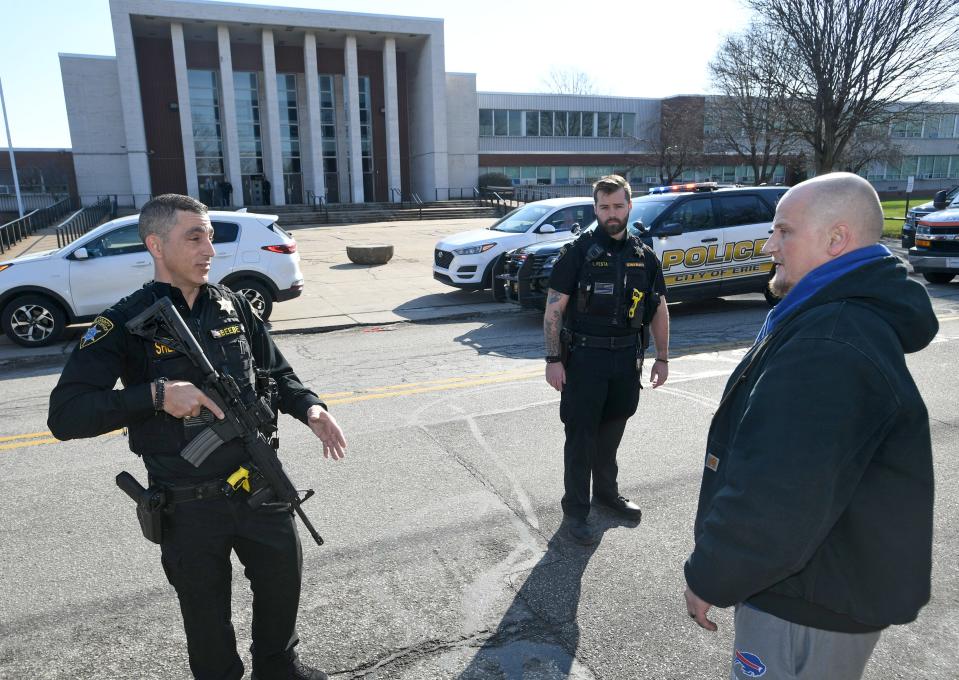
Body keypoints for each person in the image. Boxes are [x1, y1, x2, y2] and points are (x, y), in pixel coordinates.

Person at [48, 194, 347, 680]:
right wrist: (156, 395)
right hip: (188, 505)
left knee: (282, 583)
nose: (209, 247)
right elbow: (66, 416)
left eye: (209, 235)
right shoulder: (124, 322)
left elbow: (278, 372)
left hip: (258, 481)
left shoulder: (231, 304)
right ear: (156, 245)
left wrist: (311, 408)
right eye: (194, 236)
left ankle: (278, 668)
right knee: (206, 618)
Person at [683, 172, 937, 680]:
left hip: (806, 596)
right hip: (823, 583)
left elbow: (780, 489)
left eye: (784, 231)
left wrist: (712, 575)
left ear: (835, 239)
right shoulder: (833, 319)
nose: (769, 245)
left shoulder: (830, 340)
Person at [543, 174, 670, 545]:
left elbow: (659, 308)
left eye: (617, 206)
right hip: (585, 360)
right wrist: (553, 358)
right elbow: (554, 309)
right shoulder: (577, 253)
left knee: (612, 434)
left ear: (629, 206)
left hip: (627, 360)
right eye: (604, 207)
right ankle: (576, 511)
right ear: (595, 208)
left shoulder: (643, 256)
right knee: (581, 438)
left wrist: (662, 357)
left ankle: (606, 494)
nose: (611, 213)